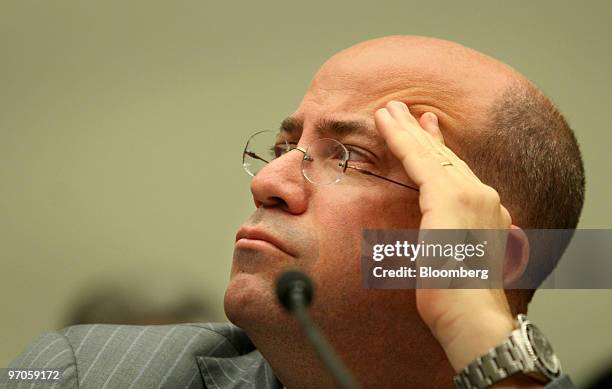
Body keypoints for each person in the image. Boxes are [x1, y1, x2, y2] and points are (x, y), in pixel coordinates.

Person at [5, 36, 583, 388]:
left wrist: (478, 330)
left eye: (350, 156)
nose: (269, 182)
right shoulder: (91, 373)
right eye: (285, 149)